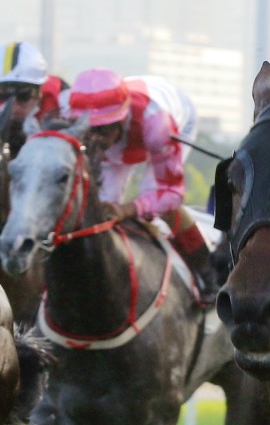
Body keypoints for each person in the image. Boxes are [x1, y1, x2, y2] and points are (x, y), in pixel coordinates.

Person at [64, 68, 219, 305]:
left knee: (157, 206)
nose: (96, 140)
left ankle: (207, 271)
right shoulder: (72, 117)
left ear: (121, 117)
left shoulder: (156, 125)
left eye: (103, 129)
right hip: (128, 134)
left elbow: (171, 195)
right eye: (88, 130)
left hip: (175, 120)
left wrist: (128, 209)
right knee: (101, 210)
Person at [1, 41, 70, 151]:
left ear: (40, 91)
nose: (15, 106)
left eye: (24, 96)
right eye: (4, 95)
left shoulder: (63, 101)